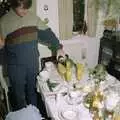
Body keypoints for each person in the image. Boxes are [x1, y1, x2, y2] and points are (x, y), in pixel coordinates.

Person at [0, 0, 65, 111]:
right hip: (15, 67)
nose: (24, 11)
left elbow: (47, 34)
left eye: (26, 8)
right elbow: (1, 47)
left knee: (33, 92)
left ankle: (35, 114)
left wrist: (58, 47)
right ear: (14, 5)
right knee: (19, 97)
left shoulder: (33, 18)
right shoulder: (4, 21)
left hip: (32, 63)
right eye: (21, 8)